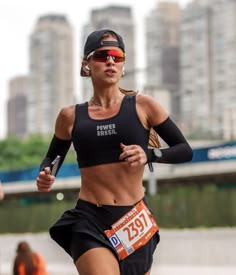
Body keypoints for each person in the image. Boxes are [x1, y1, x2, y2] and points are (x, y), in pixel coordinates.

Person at [36, 29, 193, 275]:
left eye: (117, 56)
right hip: (90, 220)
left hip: (134, 219)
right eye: (102, 55)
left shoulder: (144, 106)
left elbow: (185, 150)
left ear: (122, 65)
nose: (110, 61)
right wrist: (46, 173)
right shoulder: (70, 116)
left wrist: (149, 155)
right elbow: (52, 158)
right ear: (86, 65)